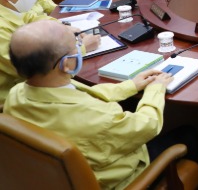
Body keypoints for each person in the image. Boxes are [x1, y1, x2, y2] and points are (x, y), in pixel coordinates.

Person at [4, 20, 174, 189]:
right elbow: (149, 125)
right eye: (76, 45)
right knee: (186, 135)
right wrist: (155, 89)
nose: (80, 47)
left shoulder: (16, 93)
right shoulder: (100, 117)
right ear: (67, 64)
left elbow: (81, 94)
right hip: (117, 179)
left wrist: (130, 85)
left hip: (51, 177)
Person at [0, 0, 100, 104]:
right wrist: (81, 48)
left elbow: (33, 17)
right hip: (20, 100)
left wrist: (63, 28)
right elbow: (33, 72)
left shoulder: (10, 8)